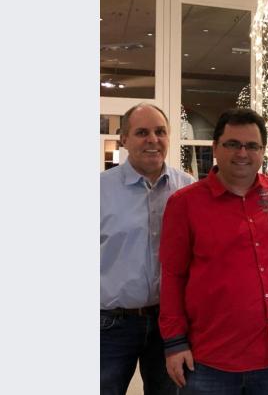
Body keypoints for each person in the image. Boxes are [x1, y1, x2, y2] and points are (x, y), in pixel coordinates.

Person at [158, 108, 268, 394]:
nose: (242, 153)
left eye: (252, 146)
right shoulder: (185, 203)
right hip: (209, 360)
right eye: (233, 144)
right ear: (215, 148)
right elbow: (172, 276)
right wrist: (174, 342)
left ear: (263, 151)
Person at [100, 103, 195, 395]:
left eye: (160, 131)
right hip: (111, 325)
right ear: (124, 140)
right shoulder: (99, 190)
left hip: (170, 326)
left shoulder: (188, 189)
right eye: (142, 132)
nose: (152, 139)